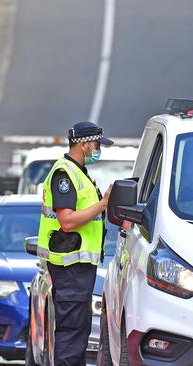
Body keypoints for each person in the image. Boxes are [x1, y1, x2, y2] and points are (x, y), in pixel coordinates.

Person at [37, 121, 113, 365]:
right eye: (97, 144)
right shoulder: (65, 174)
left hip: (77, 268)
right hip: (70, 266)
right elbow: (67, 221)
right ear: (84, 144)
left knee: (78, 332)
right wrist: (102, 205)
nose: (98, 149)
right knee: (71, 335)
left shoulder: (79, 173)